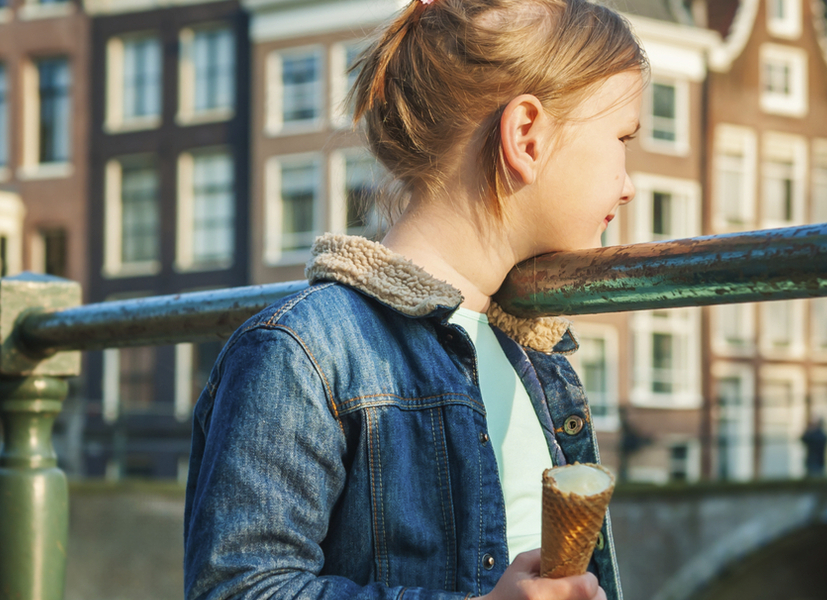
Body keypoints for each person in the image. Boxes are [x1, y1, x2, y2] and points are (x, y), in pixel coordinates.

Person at [182, 1, 644, 598]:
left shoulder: (536, 353)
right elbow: (240, 589)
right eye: (622, 138)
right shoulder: (300, 353)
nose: (629, 185)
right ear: (527, 137)